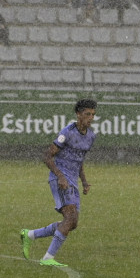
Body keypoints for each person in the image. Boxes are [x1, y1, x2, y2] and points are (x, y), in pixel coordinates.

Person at [20, 99, 98, 267]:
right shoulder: (67, 132)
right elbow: (47, 156)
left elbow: (79, 160)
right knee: (70, 218)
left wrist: (84, 181)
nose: (90, 118)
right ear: (78, 114)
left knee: (73, 223)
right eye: (87, 114)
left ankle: (30, 235)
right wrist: (60, 176)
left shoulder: (91, 136)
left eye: (93, 115)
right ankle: (48, 258)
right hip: (60, 178)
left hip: (73, 181)